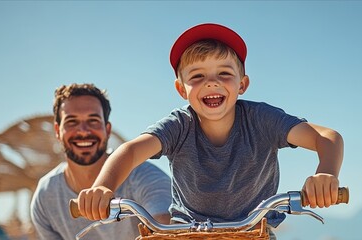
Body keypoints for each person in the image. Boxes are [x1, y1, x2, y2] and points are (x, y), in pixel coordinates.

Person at [77, 23, 344, 236]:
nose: (211, 83)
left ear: (242, 84)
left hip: (253, 230)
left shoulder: (262, 119)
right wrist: (102, 188)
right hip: (186, 231)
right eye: (197, 76)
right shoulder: (178, 126)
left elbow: (327, 137)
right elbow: (131, 151)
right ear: (181, 89)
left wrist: (326, 173)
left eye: (224, 74)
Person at [30, 83, 172, 239]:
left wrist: (163, 229)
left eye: (93, 120)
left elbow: (167, 226)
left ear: (108, 129)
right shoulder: (46, 195)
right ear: (57, 131)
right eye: (72, 122)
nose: (83, 131)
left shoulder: (145, 177)